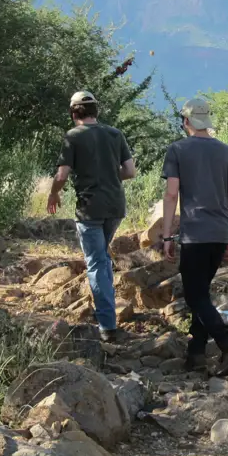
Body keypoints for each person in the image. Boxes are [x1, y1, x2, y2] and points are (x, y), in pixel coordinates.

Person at [161, 98, 228, 377]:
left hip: (195, 232)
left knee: (195, 295)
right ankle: (196, 354)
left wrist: (166, 236)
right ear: (206, 121)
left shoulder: (177, 150)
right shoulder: (227, 152)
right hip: (221, 232)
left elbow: (172, 194)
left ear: (186, 122)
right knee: (202, 292)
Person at [47, 91, 136, 343]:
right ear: (96, 111)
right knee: (103, 259)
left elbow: (62, 176)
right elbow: (130, 171)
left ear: (74, 113)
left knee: (97, 263)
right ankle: (108, 314)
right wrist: (107, 174)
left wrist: (54, 194)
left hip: (89, 208)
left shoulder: (72, 137)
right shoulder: (115, 134)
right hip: (115, 207)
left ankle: (107, 326)